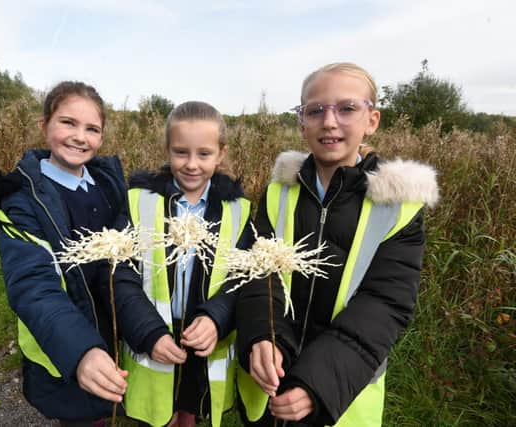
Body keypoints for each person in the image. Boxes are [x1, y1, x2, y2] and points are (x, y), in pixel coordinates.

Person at [235, 63, 439, 426]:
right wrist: (262, 337)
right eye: (315, 110)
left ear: (371, 120)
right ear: (302, 123)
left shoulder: (399, 207)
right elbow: (257, 272)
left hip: (339, 393)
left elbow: (384, 303)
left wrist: (316, 384)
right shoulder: (278, 193)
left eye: (346, 108)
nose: (329, 122)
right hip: (269, 385)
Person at [0, 81, 184, 426]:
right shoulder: (22, 200)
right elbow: (32, 285)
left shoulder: (112, 186)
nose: (79, 137)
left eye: (92, 129)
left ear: (101, 137)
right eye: (67, 123)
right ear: (45, 126)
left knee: (116, 403)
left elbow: (128, 259)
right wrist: (80, 351)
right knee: (81, 414)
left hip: (117, 330)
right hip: (65, 343)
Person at [121, 101, 254, 427]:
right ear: (167, 149)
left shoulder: (239, 211)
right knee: (159, 413)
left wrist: (217, 317)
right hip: (154, 330)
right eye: (181, 152)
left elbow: (243, 277)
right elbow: (119, 274)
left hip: (204, 332)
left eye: (204, 154)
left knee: (190, 410)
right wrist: (147, 330)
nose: (192, 164)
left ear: (221, 153)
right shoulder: (138, 201)